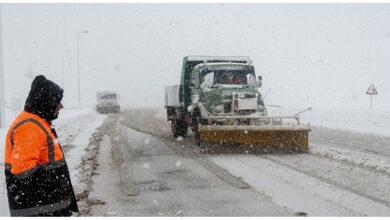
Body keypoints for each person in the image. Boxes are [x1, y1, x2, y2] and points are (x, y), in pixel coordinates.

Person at [4, 75, 79, 216]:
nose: (61, 105)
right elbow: (23, 169)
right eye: (58, 101)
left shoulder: (37, 121)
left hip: (45, 207)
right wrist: (55, 184)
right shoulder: (29, 126)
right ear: (47, 101)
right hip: (39, 209)